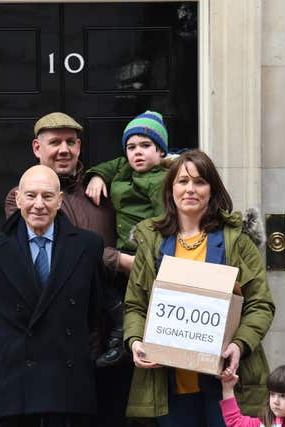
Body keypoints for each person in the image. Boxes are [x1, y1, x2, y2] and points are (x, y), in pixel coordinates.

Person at [123, 149, 276, 426]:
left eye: (199, 182)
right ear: (170, 189)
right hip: (169, 382)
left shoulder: (237, 241)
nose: (190, 189)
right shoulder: (152, 241)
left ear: (212, 190)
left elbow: (260, 304)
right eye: (182, 181)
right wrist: (135, 342)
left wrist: (239, 345)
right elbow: (135, 305)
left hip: (226, 384)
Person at [0, 165, 104, 427]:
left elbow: (94, 310)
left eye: (47, 196)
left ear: (60, 201)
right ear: (18, 198)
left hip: (69, 383)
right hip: (16, 383)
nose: (39, 205)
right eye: (31, 196)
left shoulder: (89, 246)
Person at [5, 112, 130, 367]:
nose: (64, 150)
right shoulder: (20, 199)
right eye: (55, 142)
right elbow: (65, 248)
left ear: (79, 146)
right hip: (57, 337)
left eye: (71, 142)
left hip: (114, 334)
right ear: (37, 148)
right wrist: (121, 260)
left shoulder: (103, 191)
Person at [84, 110, 170, 365]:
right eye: (131, 147)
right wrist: (98, 177)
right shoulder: (123, 168)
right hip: (122, 249)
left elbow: (163, 219)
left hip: (145, 250)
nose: (137, 152)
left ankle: (129, 340)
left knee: (142, 302)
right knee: (102, 285)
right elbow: (105, 167)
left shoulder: (162, 180)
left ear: (161, 152)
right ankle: (120, 331)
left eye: (146, 145)